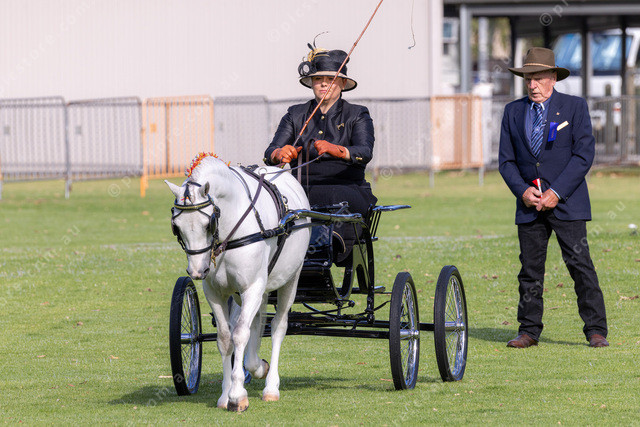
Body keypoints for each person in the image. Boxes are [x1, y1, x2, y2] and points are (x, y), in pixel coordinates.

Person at [499, 47, 608, 349]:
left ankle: (596, 330)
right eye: (528, 79)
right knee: (530, 271)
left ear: (553, 78)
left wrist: (556, 192)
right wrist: (523, 190)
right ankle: (528, 330)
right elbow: (506, 162)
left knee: (580, 266)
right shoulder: (512, 112)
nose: (532, 85)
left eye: (537, 78)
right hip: (529, 205)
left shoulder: (575, 107)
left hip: (568, 203)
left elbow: (583, 155)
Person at [264, 44, 377, 261]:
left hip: (348, 187)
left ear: (342, 83)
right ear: (312, 83)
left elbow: (365, 151)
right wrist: (279, 153)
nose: (324, 83)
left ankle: (332, 241)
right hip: (300, 188)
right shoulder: (294, 114)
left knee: (334, 196)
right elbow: (271, 151)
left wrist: (337, 150)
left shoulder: (357, 114)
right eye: (318, 79)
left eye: (330, 78)